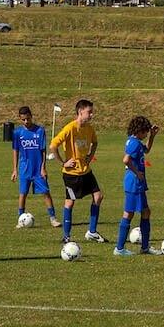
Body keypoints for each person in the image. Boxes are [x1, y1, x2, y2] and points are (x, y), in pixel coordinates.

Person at [51, 99, 105, 244]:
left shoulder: (89, 128)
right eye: (89, 112)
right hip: (71, 174)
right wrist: (63, 162)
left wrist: (90, 156)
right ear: (80, 112)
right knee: (70, 202)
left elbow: (95, 142)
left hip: (86, 171)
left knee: (98, 197)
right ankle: (66, 236)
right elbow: (53, 145)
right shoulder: (70, 128)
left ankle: (92, 232)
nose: (92, 115)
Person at [114, 114, 159, 256]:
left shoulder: (135, 142)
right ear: (139, 130)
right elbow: (126, 160)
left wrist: (152, 136)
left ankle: (145, 247)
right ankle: (120, 248)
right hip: (134, 182)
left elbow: (147, 149)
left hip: (136, 183)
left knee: (145, 212)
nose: (146, 134)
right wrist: (137, 172)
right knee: (129, 213)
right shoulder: (133, 143)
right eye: (145, 132)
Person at [10, 105, 56, 228]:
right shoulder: (17, 133)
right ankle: (20, 219)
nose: (26, 121)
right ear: (20, 119)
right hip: (24, 168)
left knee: (46, 192)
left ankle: (53, 218)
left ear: (31, 116)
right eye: (23, 119)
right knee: (23, 193)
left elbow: (43, 150)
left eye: (28, 119)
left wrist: (43, 167)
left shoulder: (40, 131)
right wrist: (15, 169)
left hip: (38, 169)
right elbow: (15, 151)